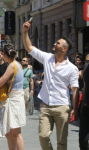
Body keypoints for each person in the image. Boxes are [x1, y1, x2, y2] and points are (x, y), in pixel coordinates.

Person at [22, 20, 79, 150]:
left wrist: (74, 109)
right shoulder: (47, 58)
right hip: (46, 105)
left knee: (61, 142)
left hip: (62, 106)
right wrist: (25, 31)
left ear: (64, 49)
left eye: (57, 43)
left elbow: (75, 90)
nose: (54, 43)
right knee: (43, 136)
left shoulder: (72, 68)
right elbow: (29, 48)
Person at [0, 44, 26, 150]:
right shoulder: (17, 64)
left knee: (16, 133)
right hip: (15, 99)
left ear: (5, 54)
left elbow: (0, 82)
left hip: (14, 100)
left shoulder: (12, 65)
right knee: (9, 133)